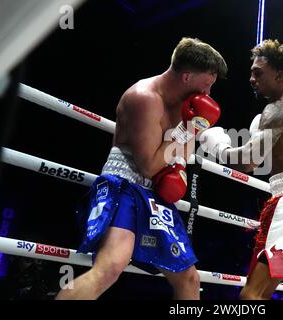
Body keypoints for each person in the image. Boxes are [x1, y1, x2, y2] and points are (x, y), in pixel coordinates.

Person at [56, 37, 227, 300]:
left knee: (189, 278)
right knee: (110, 267)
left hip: (155, 191)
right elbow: (148, 165)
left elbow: (180, 154)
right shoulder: (144, 98)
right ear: (186, 77)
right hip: (124, 183)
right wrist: (190, 128)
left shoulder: (185, 107)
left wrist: (181, 163)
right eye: (206, 85)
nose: (208, 94)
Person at [199, 39, 283, 300]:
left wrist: (217, 146)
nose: (251, 78)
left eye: (257, 72)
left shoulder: (276, 111)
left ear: (279, 74)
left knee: (252, 295)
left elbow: (249, 163)